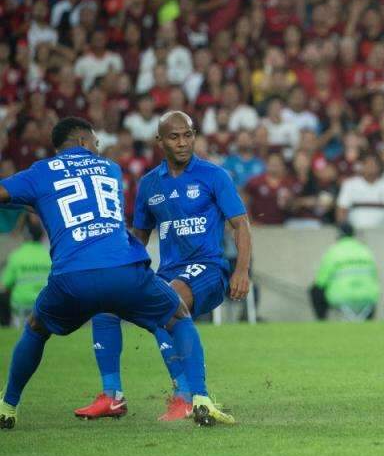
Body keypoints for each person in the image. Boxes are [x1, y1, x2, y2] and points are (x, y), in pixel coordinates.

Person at [0, 117, 225, 429]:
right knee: (177, 316)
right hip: (124, 268)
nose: (98, 148)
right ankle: (198, 398)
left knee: (37, 328)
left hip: (72, 277)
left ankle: (7, 406)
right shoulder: (110, 169)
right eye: (95, 142)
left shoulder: (40, 172)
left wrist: (28, 201)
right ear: (81, 142)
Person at [74, 111, 251, 422]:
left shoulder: (214, 176)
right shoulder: (149, 185)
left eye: (188, 135)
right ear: (160, 141)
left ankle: (186, 397)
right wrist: (116, 272)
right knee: (107, 305)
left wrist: (241, 270)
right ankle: (112, 395)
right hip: (169, 272)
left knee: (169, 302)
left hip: (208, 270)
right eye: (174, 136)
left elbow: (241, 225)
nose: (183, 143)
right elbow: (139, 237)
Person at [309, 223, 380, 321]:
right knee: (369, 289)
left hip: (341, 295)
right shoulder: (365, 250)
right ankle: (368, 322)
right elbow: (375, 277)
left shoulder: (333, 251)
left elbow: (320, 281)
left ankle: (322, 322)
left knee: (315, 291)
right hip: (368, 296)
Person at [1, 215, 51, 327]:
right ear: (42, 236)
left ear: (24, 236)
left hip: (21, 305)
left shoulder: (16, 256)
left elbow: (4, 285)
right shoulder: (49, 255)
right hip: (44, 303)